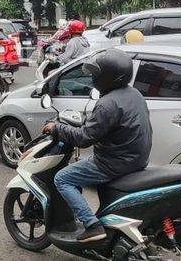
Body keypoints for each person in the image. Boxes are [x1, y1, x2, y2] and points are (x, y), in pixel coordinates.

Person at [41, 49, 152, 242]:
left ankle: (92, 225)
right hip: (136, 158)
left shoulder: (107, 103)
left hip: (114, 162)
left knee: (62, 178)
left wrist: (56, 127)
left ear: (107, 76)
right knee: (80, 169)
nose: (93, 76)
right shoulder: (134, 94)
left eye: (96, 73)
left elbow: (84, 138)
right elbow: (106, 127)